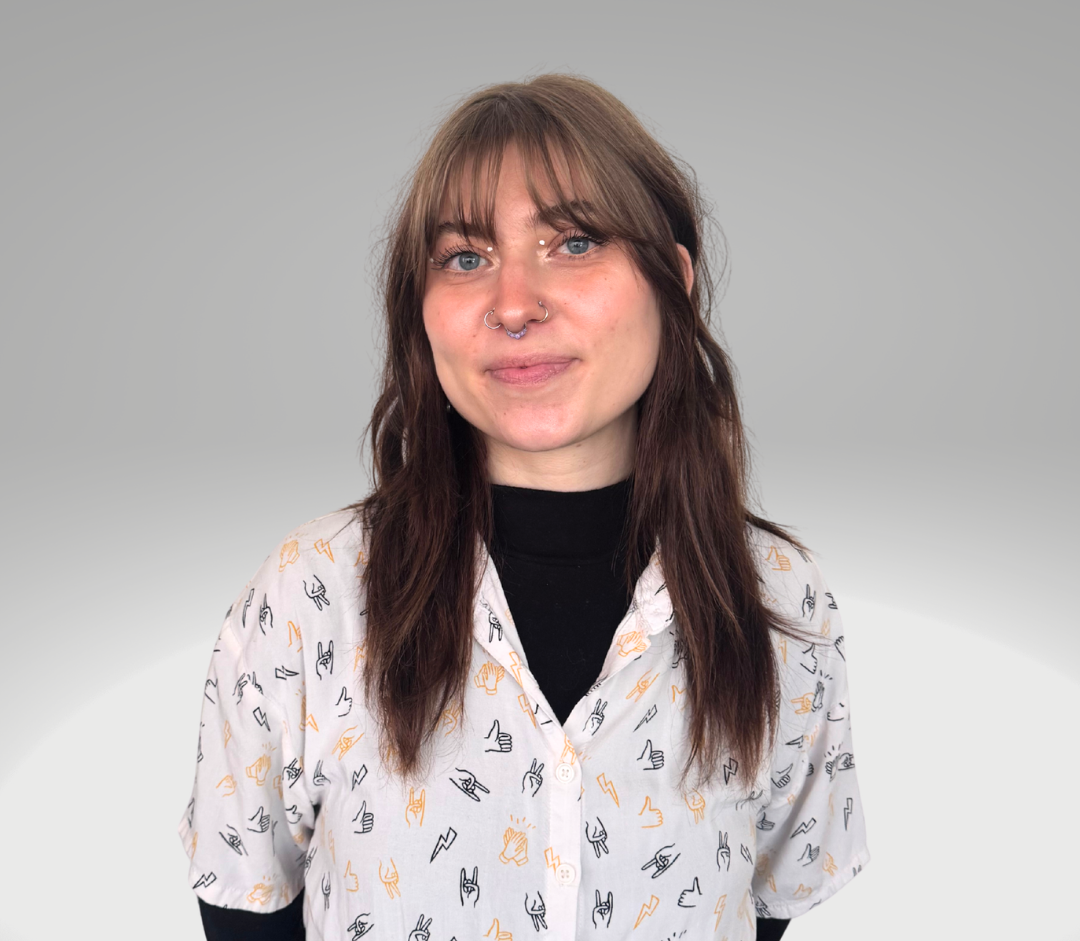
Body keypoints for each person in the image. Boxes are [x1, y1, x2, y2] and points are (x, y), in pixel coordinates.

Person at [178, 73, 869, 941]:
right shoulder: (310, 598)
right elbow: (245, 902)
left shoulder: (779, 602)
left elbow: (766, 904)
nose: (513, 304)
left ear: (674, 279)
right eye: (465, 258)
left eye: (574, 242)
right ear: (421, 313)